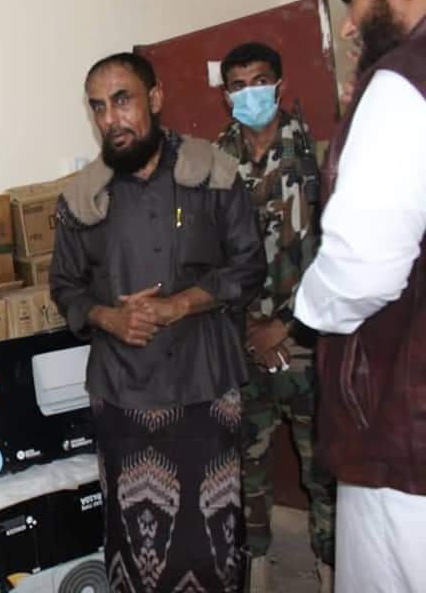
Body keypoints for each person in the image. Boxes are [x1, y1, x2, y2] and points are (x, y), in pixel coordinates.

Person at [50, 52, 265, 592]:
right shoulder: (82, 197)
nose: (111, 119)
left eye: (122, 101)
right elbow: (65, 286)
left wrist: (180, 304)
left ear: (156, 98)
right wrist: (108, 317)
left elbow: (248, 266)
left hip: (204, 384)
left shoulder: (212, 173)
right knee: (134, 541)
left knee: (212, 540)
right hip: (121, 393)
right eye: (99, 107)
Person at [293, 0, 426, 591]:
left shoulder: (403, 82)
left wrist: (306, 308)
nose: (347, 24)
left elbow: (361, 270)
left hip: (404, 440)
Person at [215, 42, 335, 593]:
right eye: (238, 85)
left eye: (260, 81)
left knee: (324, 470)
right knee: (247, 468)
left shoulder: (318, 154)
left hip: (307, 339)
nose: (251, 93)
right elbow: (205, 257)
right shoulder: (213, 164)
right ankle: (258, 567)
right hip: (241, 344)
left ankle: (331, 568)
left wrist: (282, 326)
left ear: (280, 85)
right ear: (226, 95)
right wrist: (248, 330)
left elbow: (335, 251)